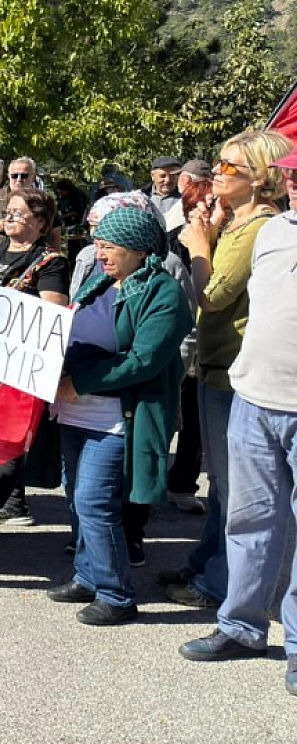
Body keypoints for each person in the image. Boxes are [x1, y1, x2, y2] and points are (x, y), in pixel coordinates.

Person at [178, 151, 297, 691]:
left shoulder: (266, 225)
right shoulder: (275, 232)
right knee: (247, 522)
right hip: (252, 396)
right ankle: (241, 627)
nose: (294, 181)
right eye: (293, 172)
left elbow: (215, 292)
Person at [48, 207, 189, 626]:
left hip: (116, 417)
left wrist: (81, 381)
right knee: (76, 498)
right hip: (75, 411)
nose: (100, 251)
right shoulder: (101, 283)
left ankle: (116, 595)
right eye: (99, 243)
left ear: (139, 248)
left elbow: (144, 359)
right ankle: (88, 576)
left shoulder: (163, 292)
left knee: (95, 501)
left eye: (110, 245)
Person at [0, 188, 70, 536]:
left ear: (41, 222)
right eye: (9, 211)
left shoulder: (51, 262)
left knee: (6, 443)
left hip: (19, 368)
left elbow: (53, 311)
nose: (10, 217)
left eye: (19, 213)